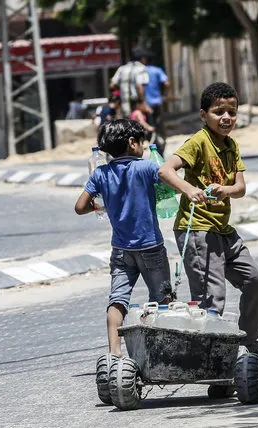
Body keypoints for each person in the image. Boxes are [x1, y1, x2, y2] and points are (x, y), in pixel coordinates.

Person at [157, 82, 258, 368]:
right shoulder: (198, 142)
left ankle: (248, 343)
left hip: (223, 230)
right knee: (212, 300)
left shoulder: (231, 145)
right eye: (218, 111)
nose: (226, 117)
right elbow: (165, 170)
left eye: (231, 112)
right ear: (203, 115)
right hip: (197, 229)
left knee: (255, 280)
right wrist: (188, 190)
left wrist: (225, 190)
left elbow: (240, 187)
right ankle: (213, 361)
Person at [74, 119, 173, 359]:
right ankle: (158, 351)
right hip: (151, 247)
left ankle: (115, 354)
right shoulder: (146, 167)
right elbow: (168, 183)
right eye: (142, 142)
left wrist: (98, 207)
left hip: (120, 251)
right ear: (132, 143)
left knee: (117, 300)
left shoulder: (101, 173)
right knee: (162, 298)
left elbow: (80, 207)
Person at [110, 47, 151, 118]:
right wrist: (143, 102)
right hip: (136, 104)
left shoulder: (122, 68)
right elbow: (140, 86)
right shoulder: (141, 68)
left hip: (124, 105)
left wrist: (122, 89)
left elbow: (112, 85)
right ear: (142, 58)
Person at [144, 58, 170, 155]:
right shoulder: (157, 70)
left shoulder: (141, 71)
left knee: (149, 128)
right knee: (160, 127)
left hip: (145, 105)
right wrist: (165, 96)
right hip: (157, 103)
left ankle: (154, 149)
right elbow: (166, 83)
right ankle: (161, 149)